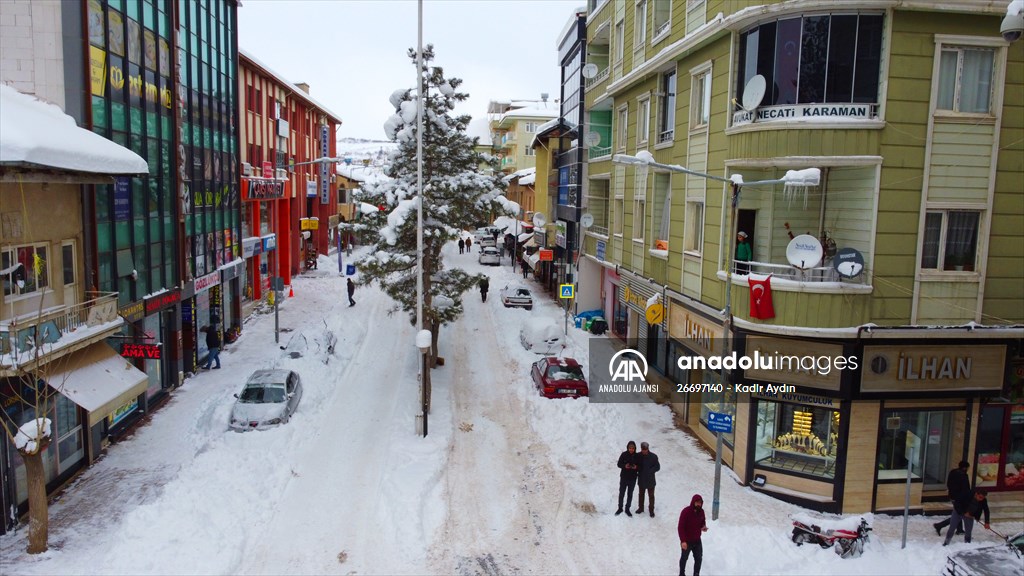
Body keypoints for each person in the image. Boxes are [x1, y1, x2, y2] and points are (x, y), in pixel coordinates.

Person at [935, 460, 971, 536]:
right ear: (965, 468)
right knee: (959, 514)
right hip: (960, 498)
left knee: (958, 512)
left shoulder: (953, 472)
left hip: (952, 496)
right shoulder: (963, 476)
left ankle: (959, 529)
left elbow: (948, 483)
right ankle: (939, 525)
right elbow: (965, 489)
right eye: (967, 468)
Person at [678, 494, 708, 576]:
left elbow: (702, 522)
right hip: (687, 541)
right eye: (697, 502)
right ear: (693, 502)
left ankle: (696, 574)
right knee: (684, 558)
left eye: (700, 503)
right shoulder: (686, 512)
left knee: (698, 559)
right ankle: (681, 574)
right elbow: (681, 527)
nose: (699, 504)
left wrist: (703, 527)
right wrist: (683, 541)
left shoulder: (701, 512)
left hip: (697, 540)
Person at [635, 442, 661, 517]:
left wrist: (651, 471)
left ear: (648, 448)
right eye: (643, 449)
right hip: (641, 479)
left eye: (645, 449)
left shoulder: (654, 457)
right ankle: (640, 508)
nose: (644, 451)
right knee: (641, 495)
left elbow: (658, 467)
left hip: (650, 480)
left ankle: (651, 510)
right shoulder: (638, 456)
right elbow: (635, 465)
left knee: (651, 496)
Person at [616, 441, 639, 516]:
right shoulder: (624, 454)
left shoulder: (637, 456)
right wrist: (625, 466)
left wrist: (636, 467)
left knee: (630, 494)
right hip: (624, 477)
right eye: (630, 448)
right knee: (621, 493)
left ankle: (627, 509)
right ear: (628, 448)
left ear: (635, 448)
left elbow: (641, 466)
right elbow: (618, 464)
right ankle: (620, 508)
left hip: (632, 478)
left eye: (632, 448)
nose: (631, 449)